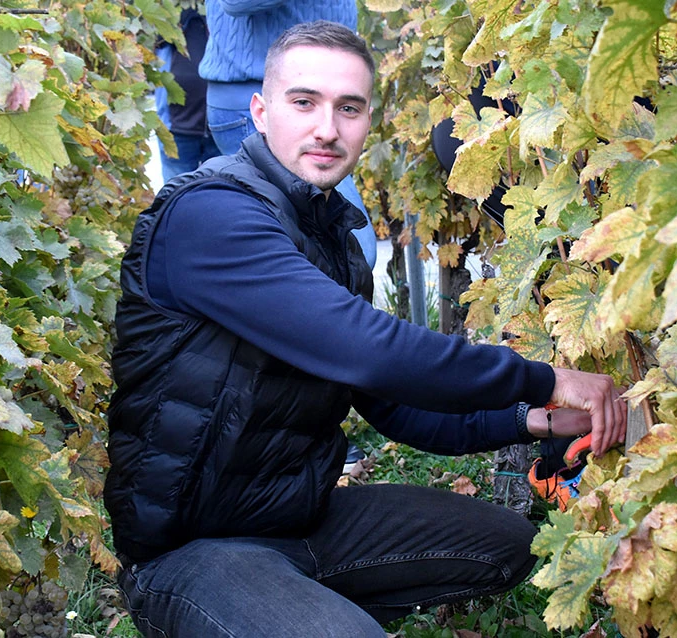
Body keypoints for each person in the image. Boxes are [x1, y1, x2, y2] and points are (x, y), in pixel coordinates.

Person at [105, 21, 627, 637]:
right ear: (260, 111)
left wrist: (531, 419)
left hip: (301, 524)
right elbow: (372, 352)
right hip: (189, 553)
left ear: (367, 121)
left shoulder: (331, 239)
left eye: (348, 108)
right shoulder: (209, 215)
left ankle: (298, 609)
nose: (328, 128)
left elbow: (391, 405)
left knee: (509, 544)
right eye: (305, 102)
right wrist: (544, 381)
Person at [197, 0, 377, 269]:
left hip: (311, 90)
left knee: (341, 254)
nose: (328, 133)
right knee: (346, 253)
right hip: (263, 93)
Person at [154, 8, 220, 180]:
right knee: (174, 195)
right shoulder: (173, 18)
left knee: (218, 196)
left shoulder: (222, 18)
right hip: (176, 129)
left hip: (218, 129)